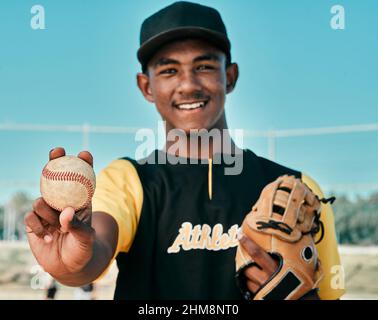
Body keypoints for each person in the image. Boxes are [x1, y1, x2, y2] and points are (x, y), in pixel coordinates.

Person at [24, 1, 345, 300]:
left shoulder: (297, 186)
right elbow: (98, 243)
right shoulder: (129, 180)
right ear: (146, 86)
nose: (188, 84)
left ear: (229, 77)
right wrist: (74, 261)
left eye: (204, 66)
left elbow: (331, 293)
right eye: (169, 70)